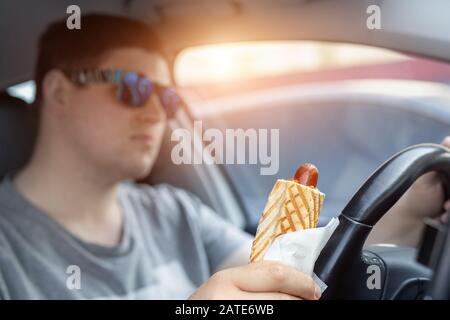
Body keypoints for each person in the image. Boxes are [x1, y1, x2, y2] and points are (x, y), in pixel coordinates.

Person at [0, 14, 447, 300]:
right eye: (132, 88)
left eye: (167, 96)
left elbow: (289, 273)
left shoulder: (174, 212)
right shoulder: (9, 252)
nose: (158, 112)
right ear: (60, 91)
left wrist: (408, 203)